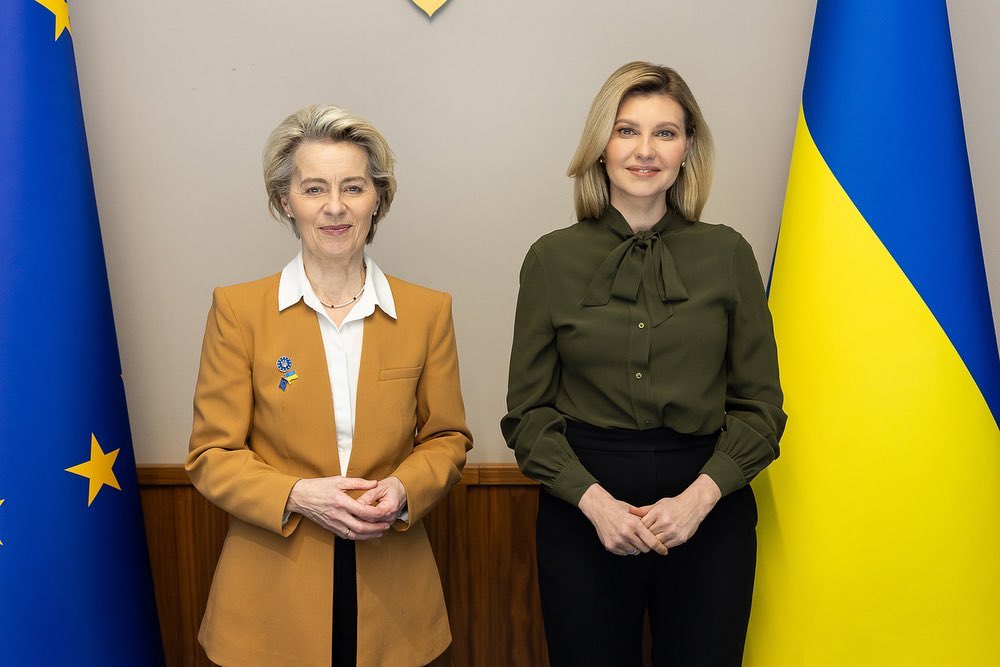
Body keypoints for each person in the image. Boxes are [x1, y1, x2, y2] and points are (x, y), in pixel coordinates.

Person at [502, 62, 786, 666]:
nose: (645, 150)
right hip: (584, 506)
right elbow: (527, 416)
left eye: (665, 133)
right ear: (600, 146)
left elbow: (761, 410)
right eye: (627, 130)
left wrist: (696, 502)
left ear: (687, 149)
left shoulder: (729, 254)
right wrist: (595, 503)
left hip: (709, 504)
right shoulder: (550, 259)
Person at [186, 104, 472, 667]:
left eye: (353, 187)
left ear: (377, 199)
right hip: (270, 590)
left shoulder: (428, 311)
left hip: (393, 589)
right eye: (314, 188)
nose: (335, 207)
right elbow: (211, 454)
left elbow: (448, 439)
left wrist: (404, 488)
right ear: (284, 201)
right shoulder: (238, 310)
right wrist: (297, 494)